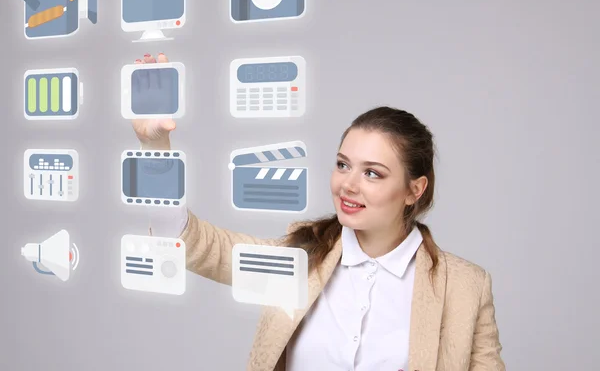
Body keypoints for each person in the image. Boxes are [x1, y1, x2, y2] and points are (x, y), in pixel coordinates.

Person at [133, 53, 506, 371]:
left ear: (414, 189)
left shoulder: (466, 287)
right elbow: (192, 243)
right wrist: (155, 151)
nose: (349, 184)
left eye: (373, 173)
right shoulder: (302, 256)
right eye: (343, 165)